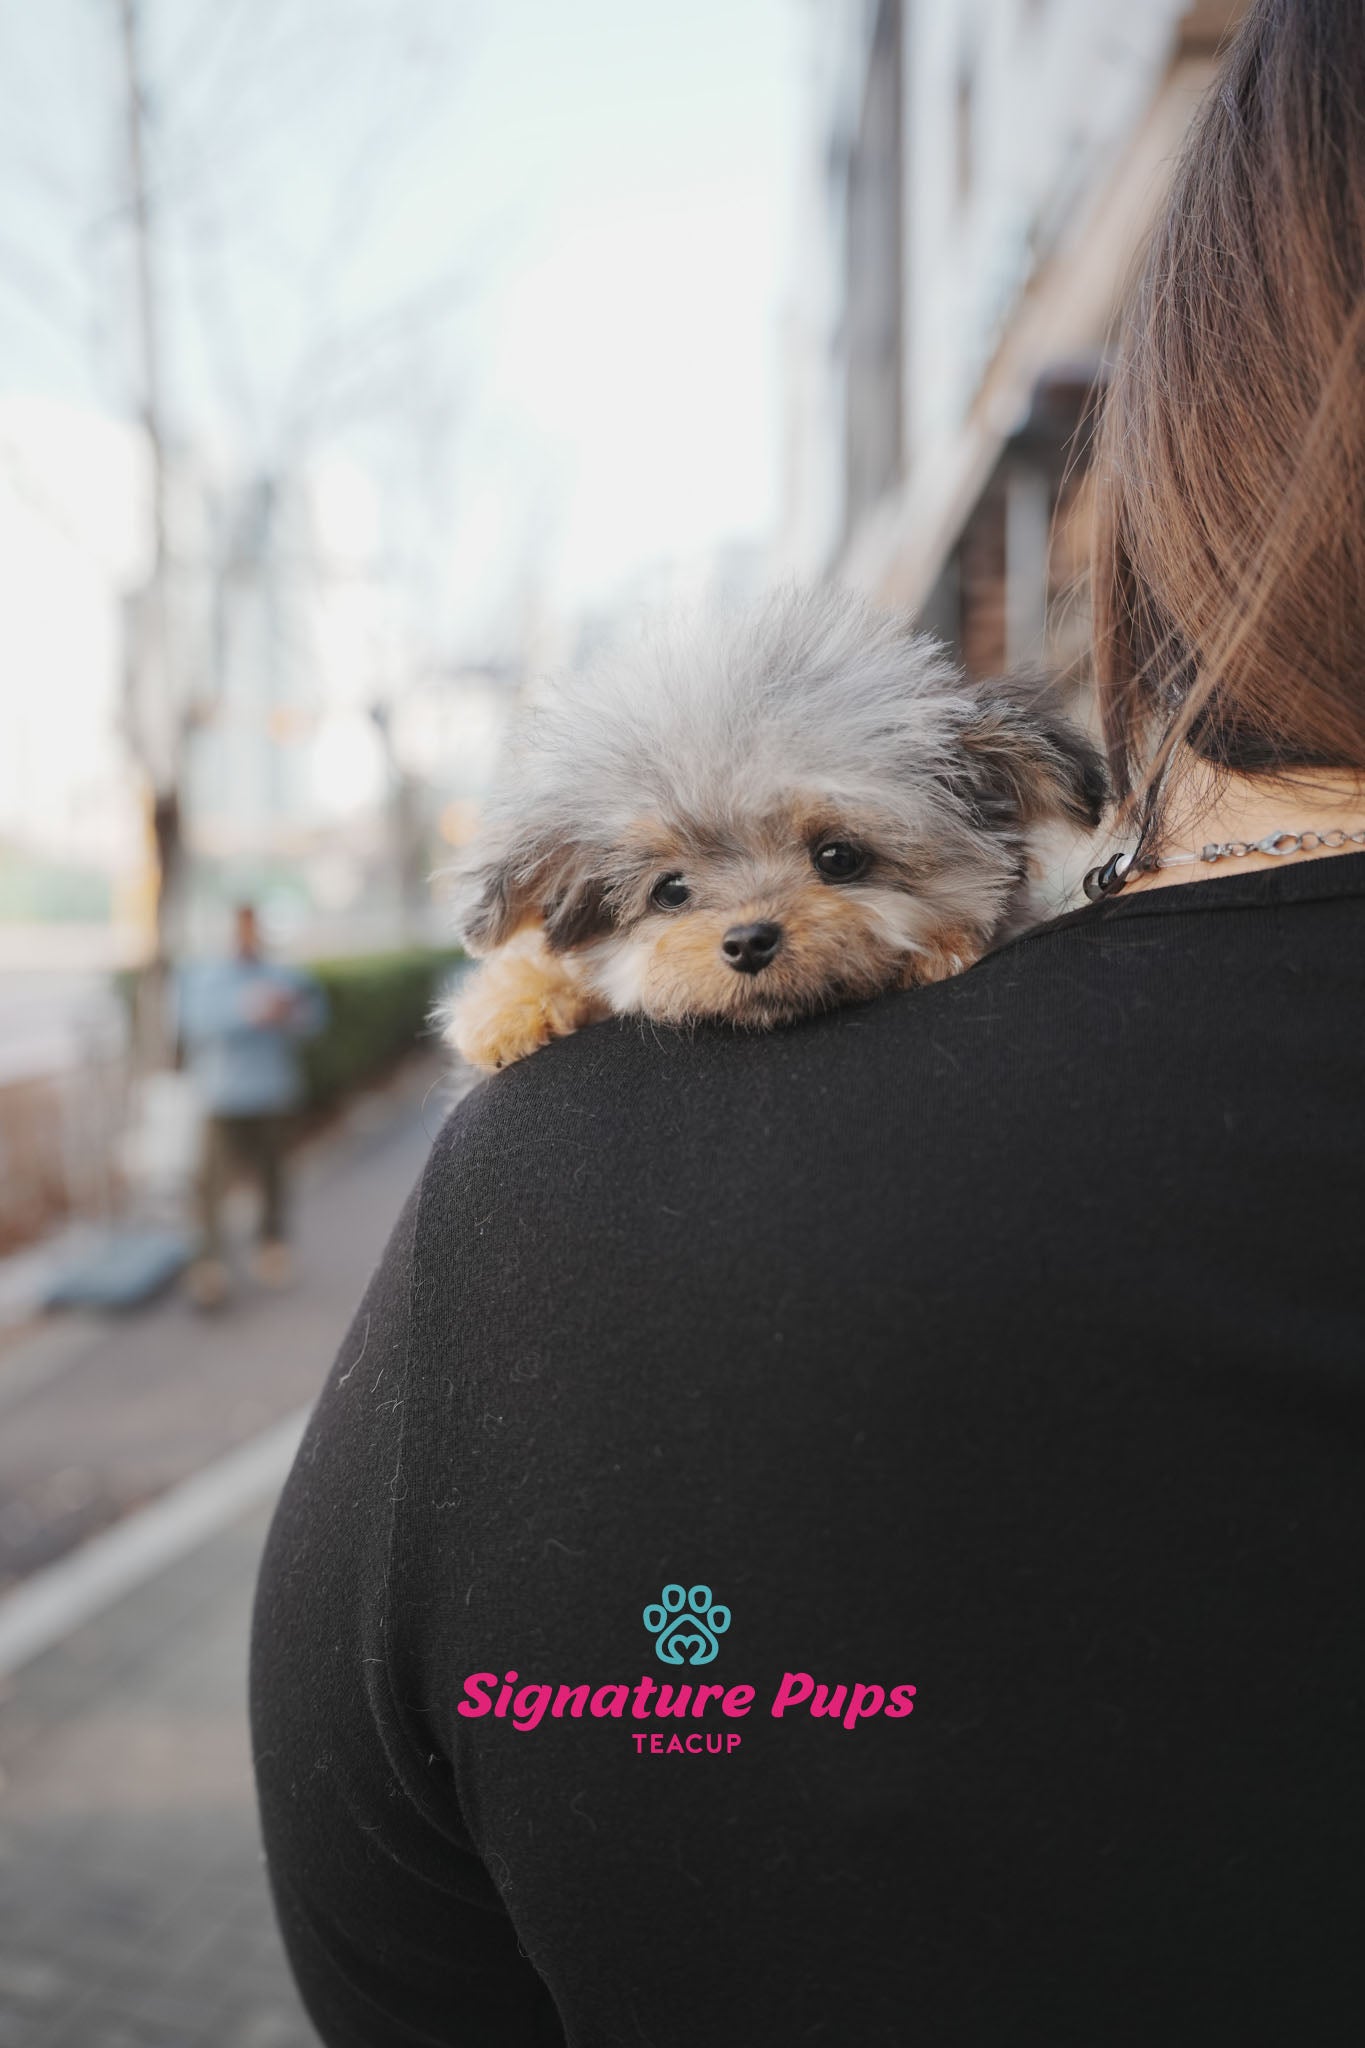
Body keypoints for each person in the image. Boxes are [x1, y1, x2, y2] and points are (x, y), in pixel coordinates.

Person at [250, 2, 1365, 2040]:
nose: (749, 935)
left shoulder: (549, 1208)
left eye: (826, 867)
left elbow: (388, 1945)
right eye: (678, 896)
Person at [179, 903, 326, 1308]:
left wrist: (288, 1012)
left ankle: (272, 1246)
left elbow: (314, 1020)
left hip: (273, 1091)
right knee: (212, 1186)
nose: (248, 936)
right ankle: (209, 1264)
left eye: (254, 929)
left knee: (275, 1177)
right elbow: (193, 1022)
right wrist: (249, 1012)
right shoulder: (207, 975)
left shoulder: (282, 975)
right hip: (222, 1095)